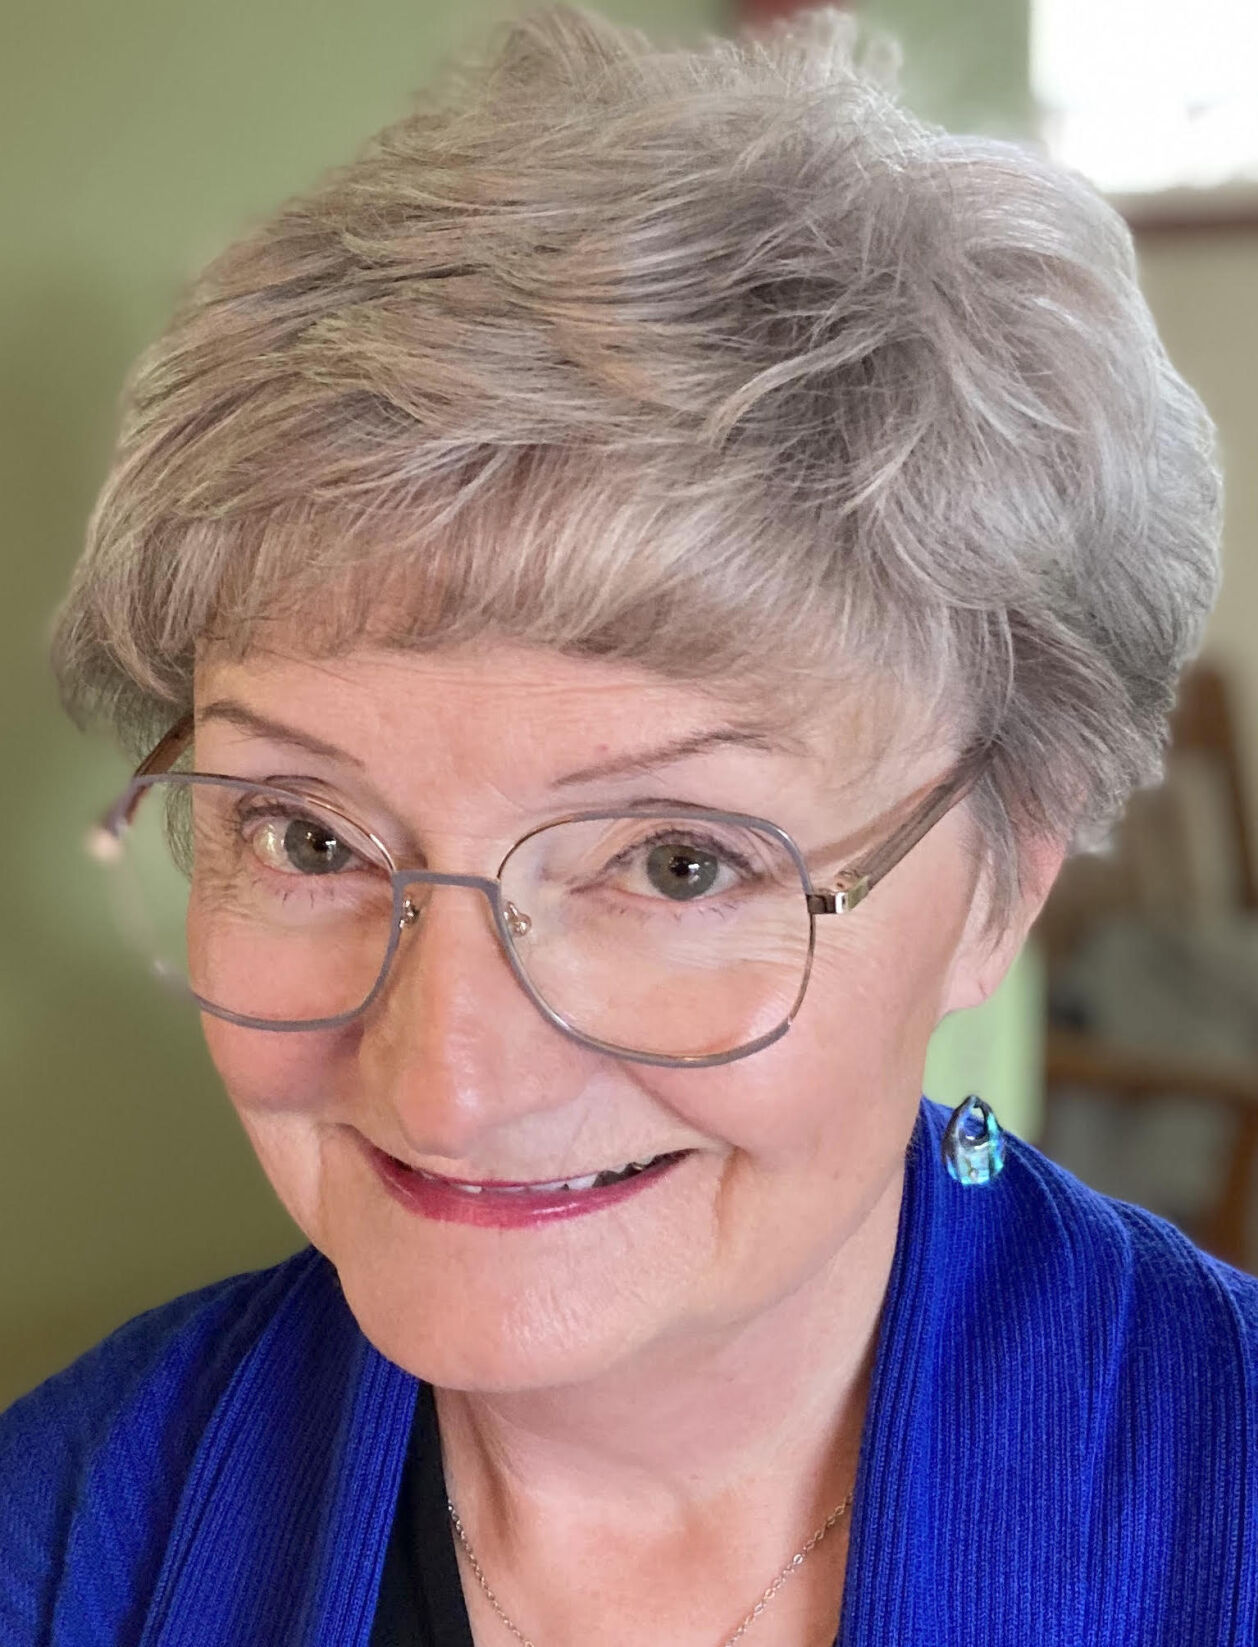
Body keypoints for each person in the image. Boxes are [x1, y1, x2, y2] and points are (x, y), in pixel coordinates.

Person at [4, 6, 1255, 1644]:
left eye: (677, 864)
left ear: (994, 891)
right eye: (308, 837)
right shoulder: (69, 1532)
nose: (448, 1083)